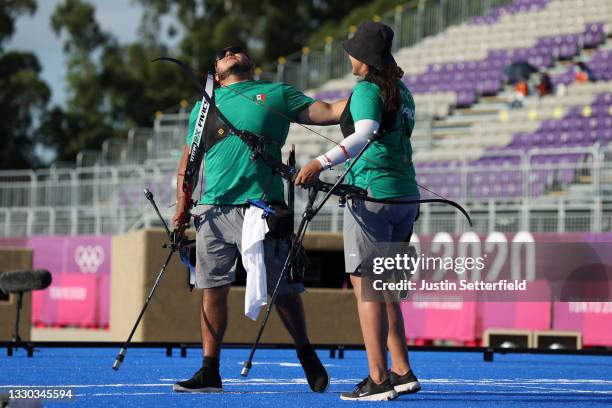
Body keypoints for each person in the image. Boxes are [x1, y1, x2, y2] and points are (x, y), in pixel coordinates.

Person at [172, 45, 346, 393]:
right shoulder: (204, 106)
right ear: (217, 71)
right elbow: (188, 161)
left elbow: (328, 111)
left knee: (283, 290)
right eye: (223, 53)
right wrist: (181, 204)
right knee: (211, 290)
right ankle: (210, 370)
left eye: (238, 50)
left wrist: (370, 95)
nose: (232, 51)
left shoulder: (276, 94)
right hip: (213, 210)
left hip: (261, 207)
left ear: (250, 64)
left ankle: (306, 353)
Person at [295, 21, 421, 401]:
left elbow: (363, 132)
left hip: (373, 199)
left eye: (352, 51)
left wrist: (320, 162)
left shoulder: (366, 89)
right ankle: (402, 370)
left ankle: (378, 378)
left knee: (367, 289)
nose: (348, 56)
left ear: (364, 59)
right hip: (405, 197)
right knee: (389, 290)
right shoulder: (402, 90)